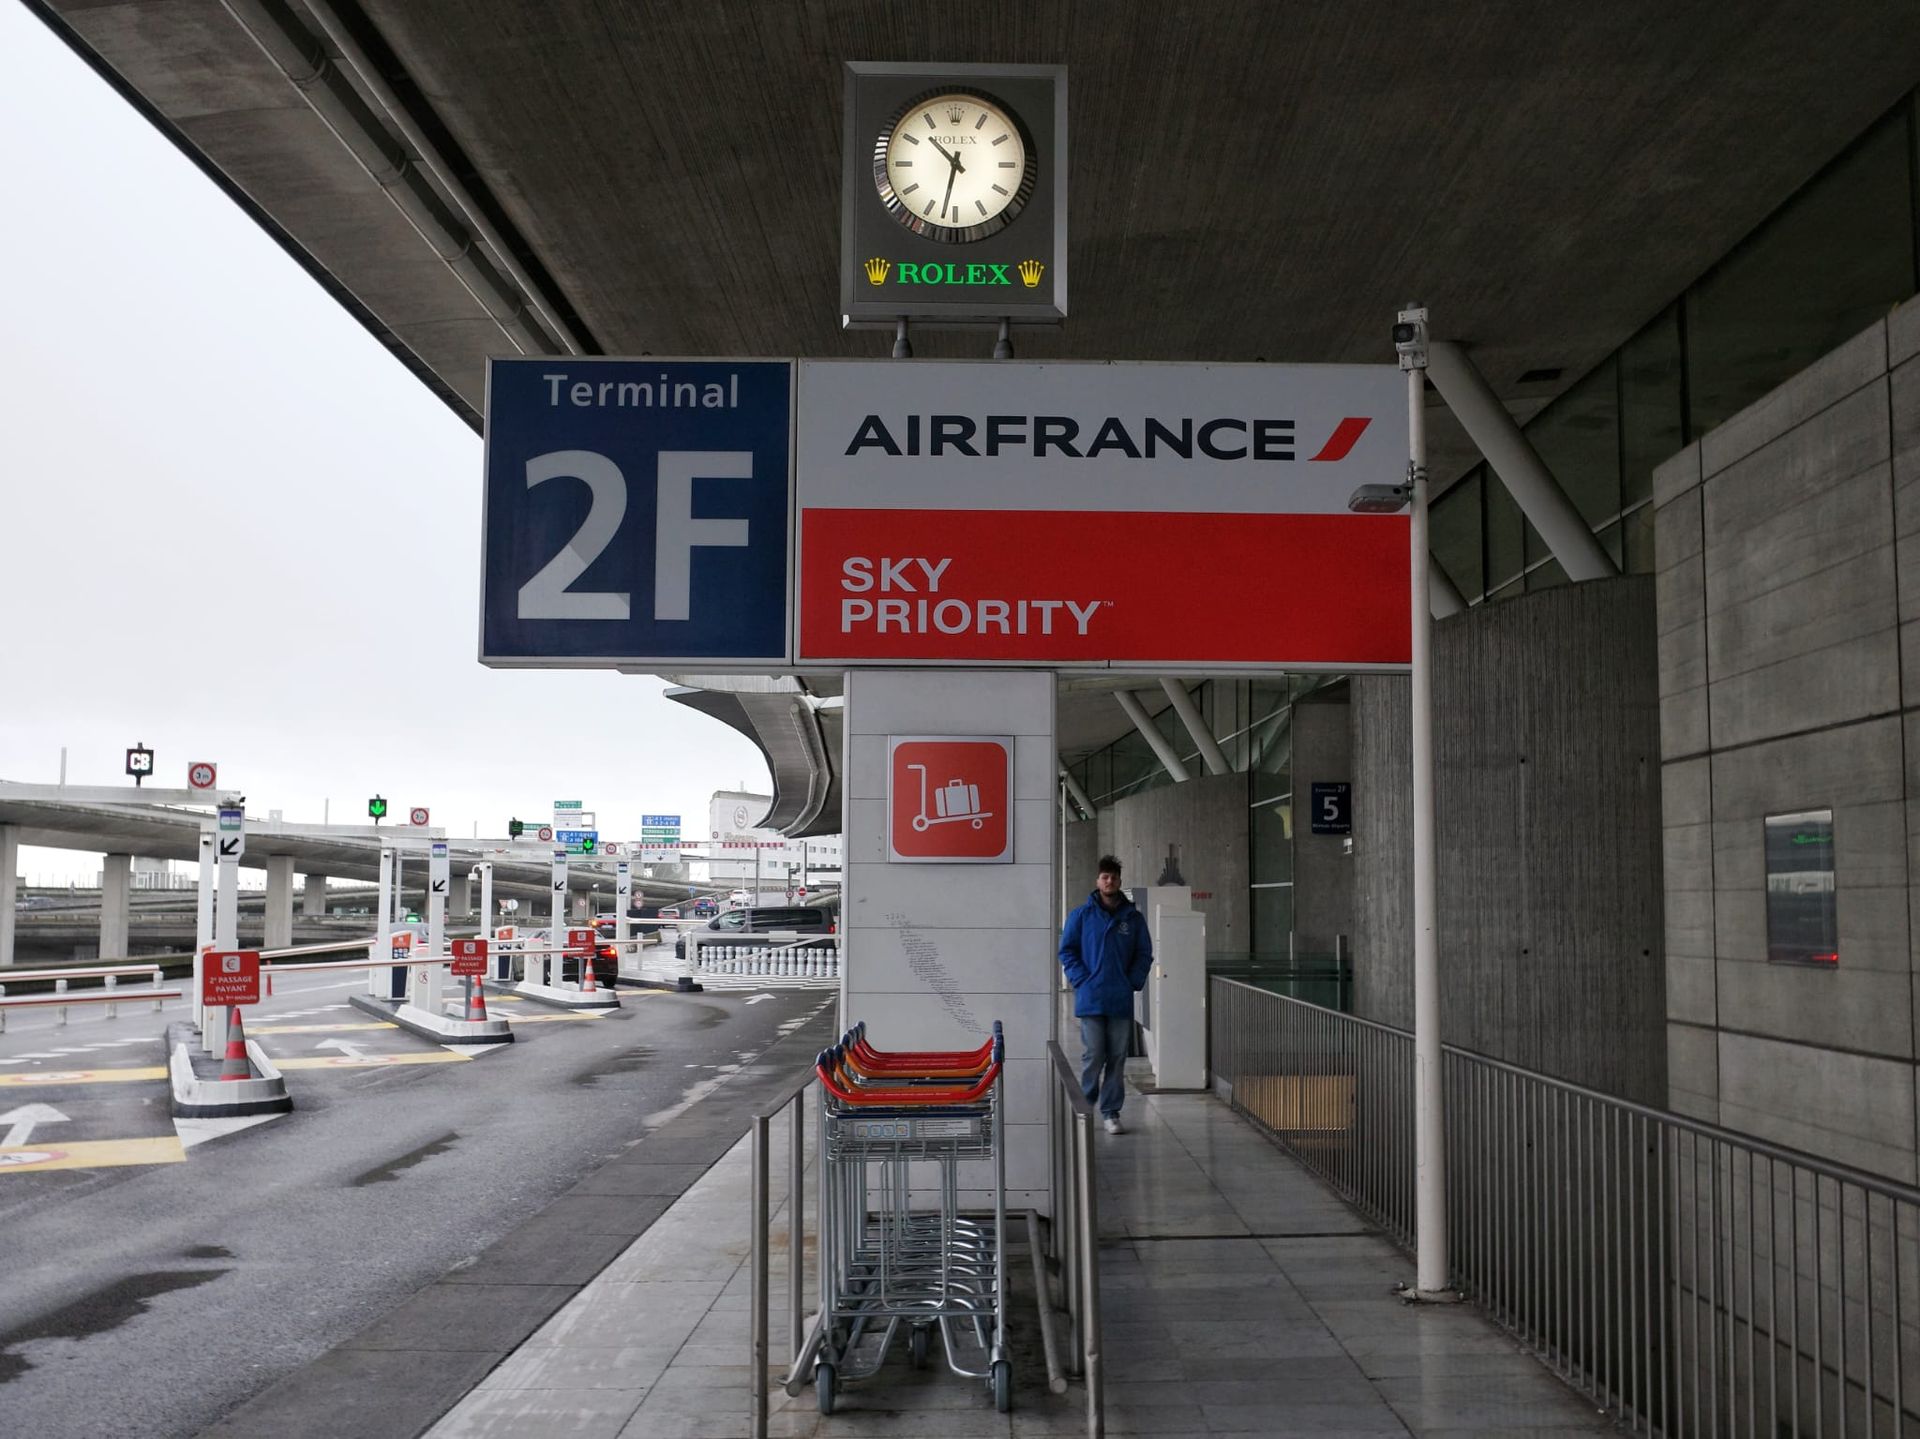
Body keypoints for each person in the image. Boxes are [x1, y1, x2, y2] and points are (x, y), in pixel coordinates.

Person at [1058, 854, 1154, 1134]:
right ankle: (1085, 1108)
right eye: (1104, 876)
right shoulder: (1081, 915)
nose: (1109, 881)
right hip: (1091, 999)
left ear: (1120, 881)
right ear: (1097, 880)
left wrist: (1132, 981)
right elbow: (1067, 951)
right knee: (1093, 1055)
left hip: (1119, 999)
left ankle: (1111, 1111)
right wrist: (1081, 980)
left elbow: (1144, 953)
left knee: (1117, 1057)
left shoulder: (1133, 919)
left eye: (1113, 877)